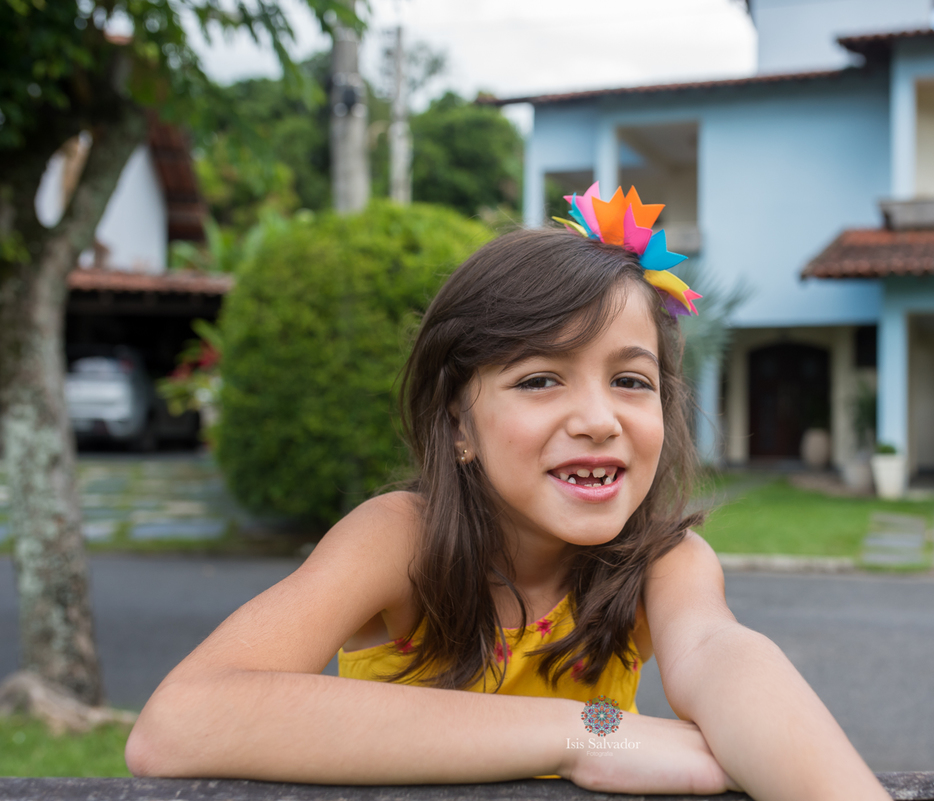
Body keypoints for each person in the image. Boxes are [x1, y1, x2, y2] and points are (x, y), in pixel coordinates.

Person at [125, 186, 891, 801]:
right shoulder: (400, 540)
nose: (598, 418)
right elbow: (178, 722)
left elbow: (726, 659)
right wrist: (583, 734)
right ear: (460, 422)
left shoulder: (666, 562)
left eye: (631, 379)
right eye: (540, 378)